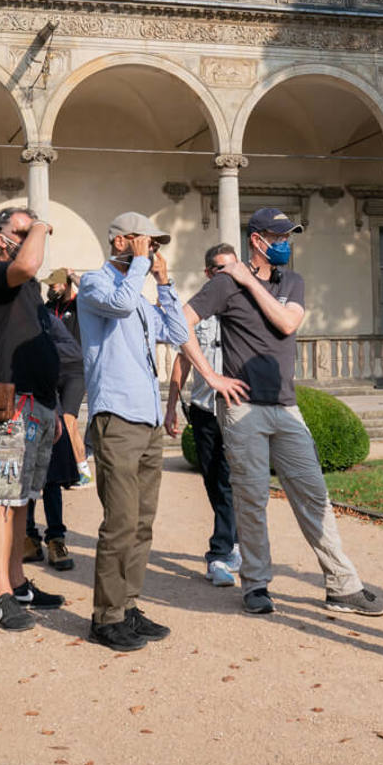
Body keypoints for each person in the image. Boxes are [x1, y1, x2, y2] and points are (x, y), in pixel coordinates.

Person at [180, 208, 383, 618]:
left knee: (315, 494)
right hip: (242, 411)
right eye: (278, 237)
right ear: (256, 240)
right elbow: (180, 320)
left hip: (286, 408)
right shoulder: (223, 285)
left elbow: (287, 323)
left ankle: (342, 586)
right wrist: (211, 376)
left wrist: (249, 282)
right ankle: (257, 584)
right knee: (251, 499)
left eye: (288, 236)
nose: (285, 244)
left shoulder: (291, 281)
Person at [76, 211, 190, 651]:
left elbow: (178, 332)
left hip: (147, 421)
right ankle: (105, 618)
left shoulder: (141, 297)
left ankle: (129, 607)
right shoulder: (94, 284)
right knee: (120, 523)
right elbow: (120, 304)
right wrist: (141, 267)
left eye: (155, 245)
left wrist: (165, 284)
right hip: (116, 418)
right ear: (121, 241)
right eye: (146, 242)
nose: (152, 250)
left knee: (143, 524)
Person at [0, 206, 66, 630]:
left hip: (41, 405)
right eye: (22, 231)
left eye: (33, 232)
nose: (30, 239)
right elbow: (28, 261)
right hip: (11, 407)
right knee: (3, 499)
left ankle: (19, 581)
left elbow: (41, 340)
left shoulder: (30, 290)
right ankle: (0, 595)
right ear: (1, 238)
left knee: (25, 497)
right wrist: (43, 225)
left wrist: (56, 407)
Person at [165, 243, 241, 586]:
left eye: (234, 268)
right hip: (204, 410)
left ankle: (221, 552)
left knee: (230, 482)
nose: (231, 276)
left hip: (239, 409)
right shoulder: (197, 311)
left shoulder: (244, 308)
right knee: (214, 481)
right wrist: (170, 406)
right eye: (223, 270)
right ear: (209, 274)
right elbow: (182, 360)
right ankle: (233, 539)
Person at [25, 269, 86, 572]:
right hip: (23, 399)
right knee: (25, 476)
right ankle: (27, 537)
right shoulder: (12, 318)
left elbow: (68, 357)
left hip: (52, 394)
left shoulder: (41, 317)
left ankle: (56, 538)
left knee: (48, 476)